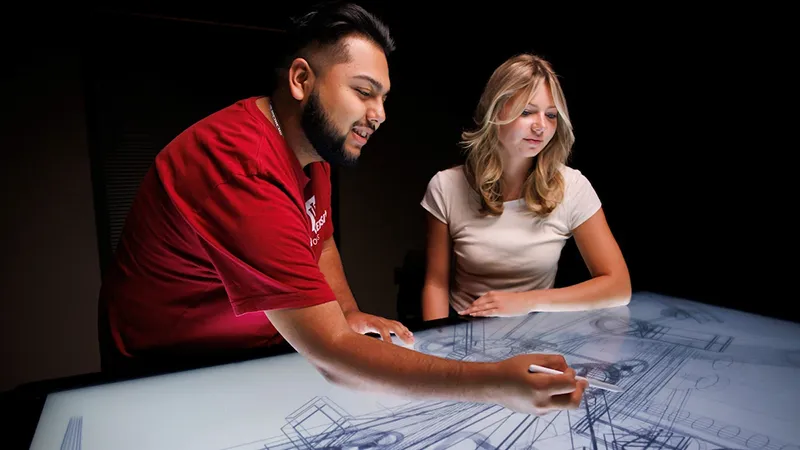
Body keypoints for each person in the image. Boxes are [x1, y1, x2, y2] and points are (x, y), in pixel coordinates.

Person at [97, 2, 587, 415]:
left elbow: (320, 236)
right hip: (167, 366)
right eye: (363, 91)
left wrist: (348, 311)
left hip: (261, 350)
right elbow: (332, 353)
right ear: (301, 79)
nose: (380, 114)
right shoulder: (240, 164)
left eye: (384, 98)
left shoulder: (314, 152)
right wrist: (495, 382)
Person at [420, 53, 631, 321]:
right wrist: (436, 356)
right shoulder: (446, 186)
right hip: (464, 333)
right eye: (527, 112)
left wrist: (526, 302)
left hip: (536, 336)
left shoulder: (573, 187)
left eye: (551, 115)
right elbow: (436, 285)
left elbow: (618, 287)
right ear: (495, 112)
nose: (541, 126)